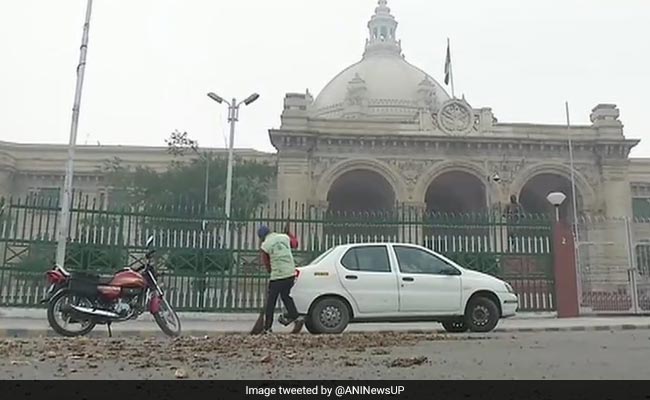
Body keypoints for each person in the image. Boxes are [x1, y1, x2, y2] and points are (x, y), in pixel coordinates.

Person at [258, 224, 302, 334]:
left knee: (271, 302)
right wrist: (289, 233)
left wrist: (271, 272)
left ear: (262, 237)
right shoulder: (284, 237)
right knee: (285, 296)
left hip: (278, 275)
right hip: (290, 273)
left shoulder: (265, 245)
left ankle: (267, 328)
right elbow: (295, 244)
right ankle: (295, 316)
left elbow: (266, 263)